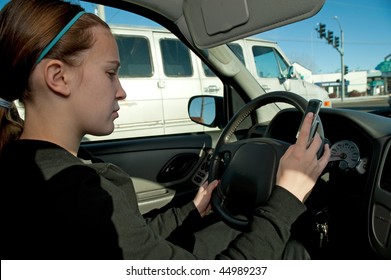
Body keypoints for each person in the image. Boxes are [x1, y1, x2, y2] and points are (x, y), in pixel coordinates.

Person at [0, 0, 330, 260]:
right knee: (296, 251)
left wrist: (190, 210)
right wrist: (288, 194)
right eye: (110, 73)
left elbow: (128, 238)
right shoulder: (69, 192)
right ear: (59, 77)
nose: (121, 91)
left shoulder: (31, 165)